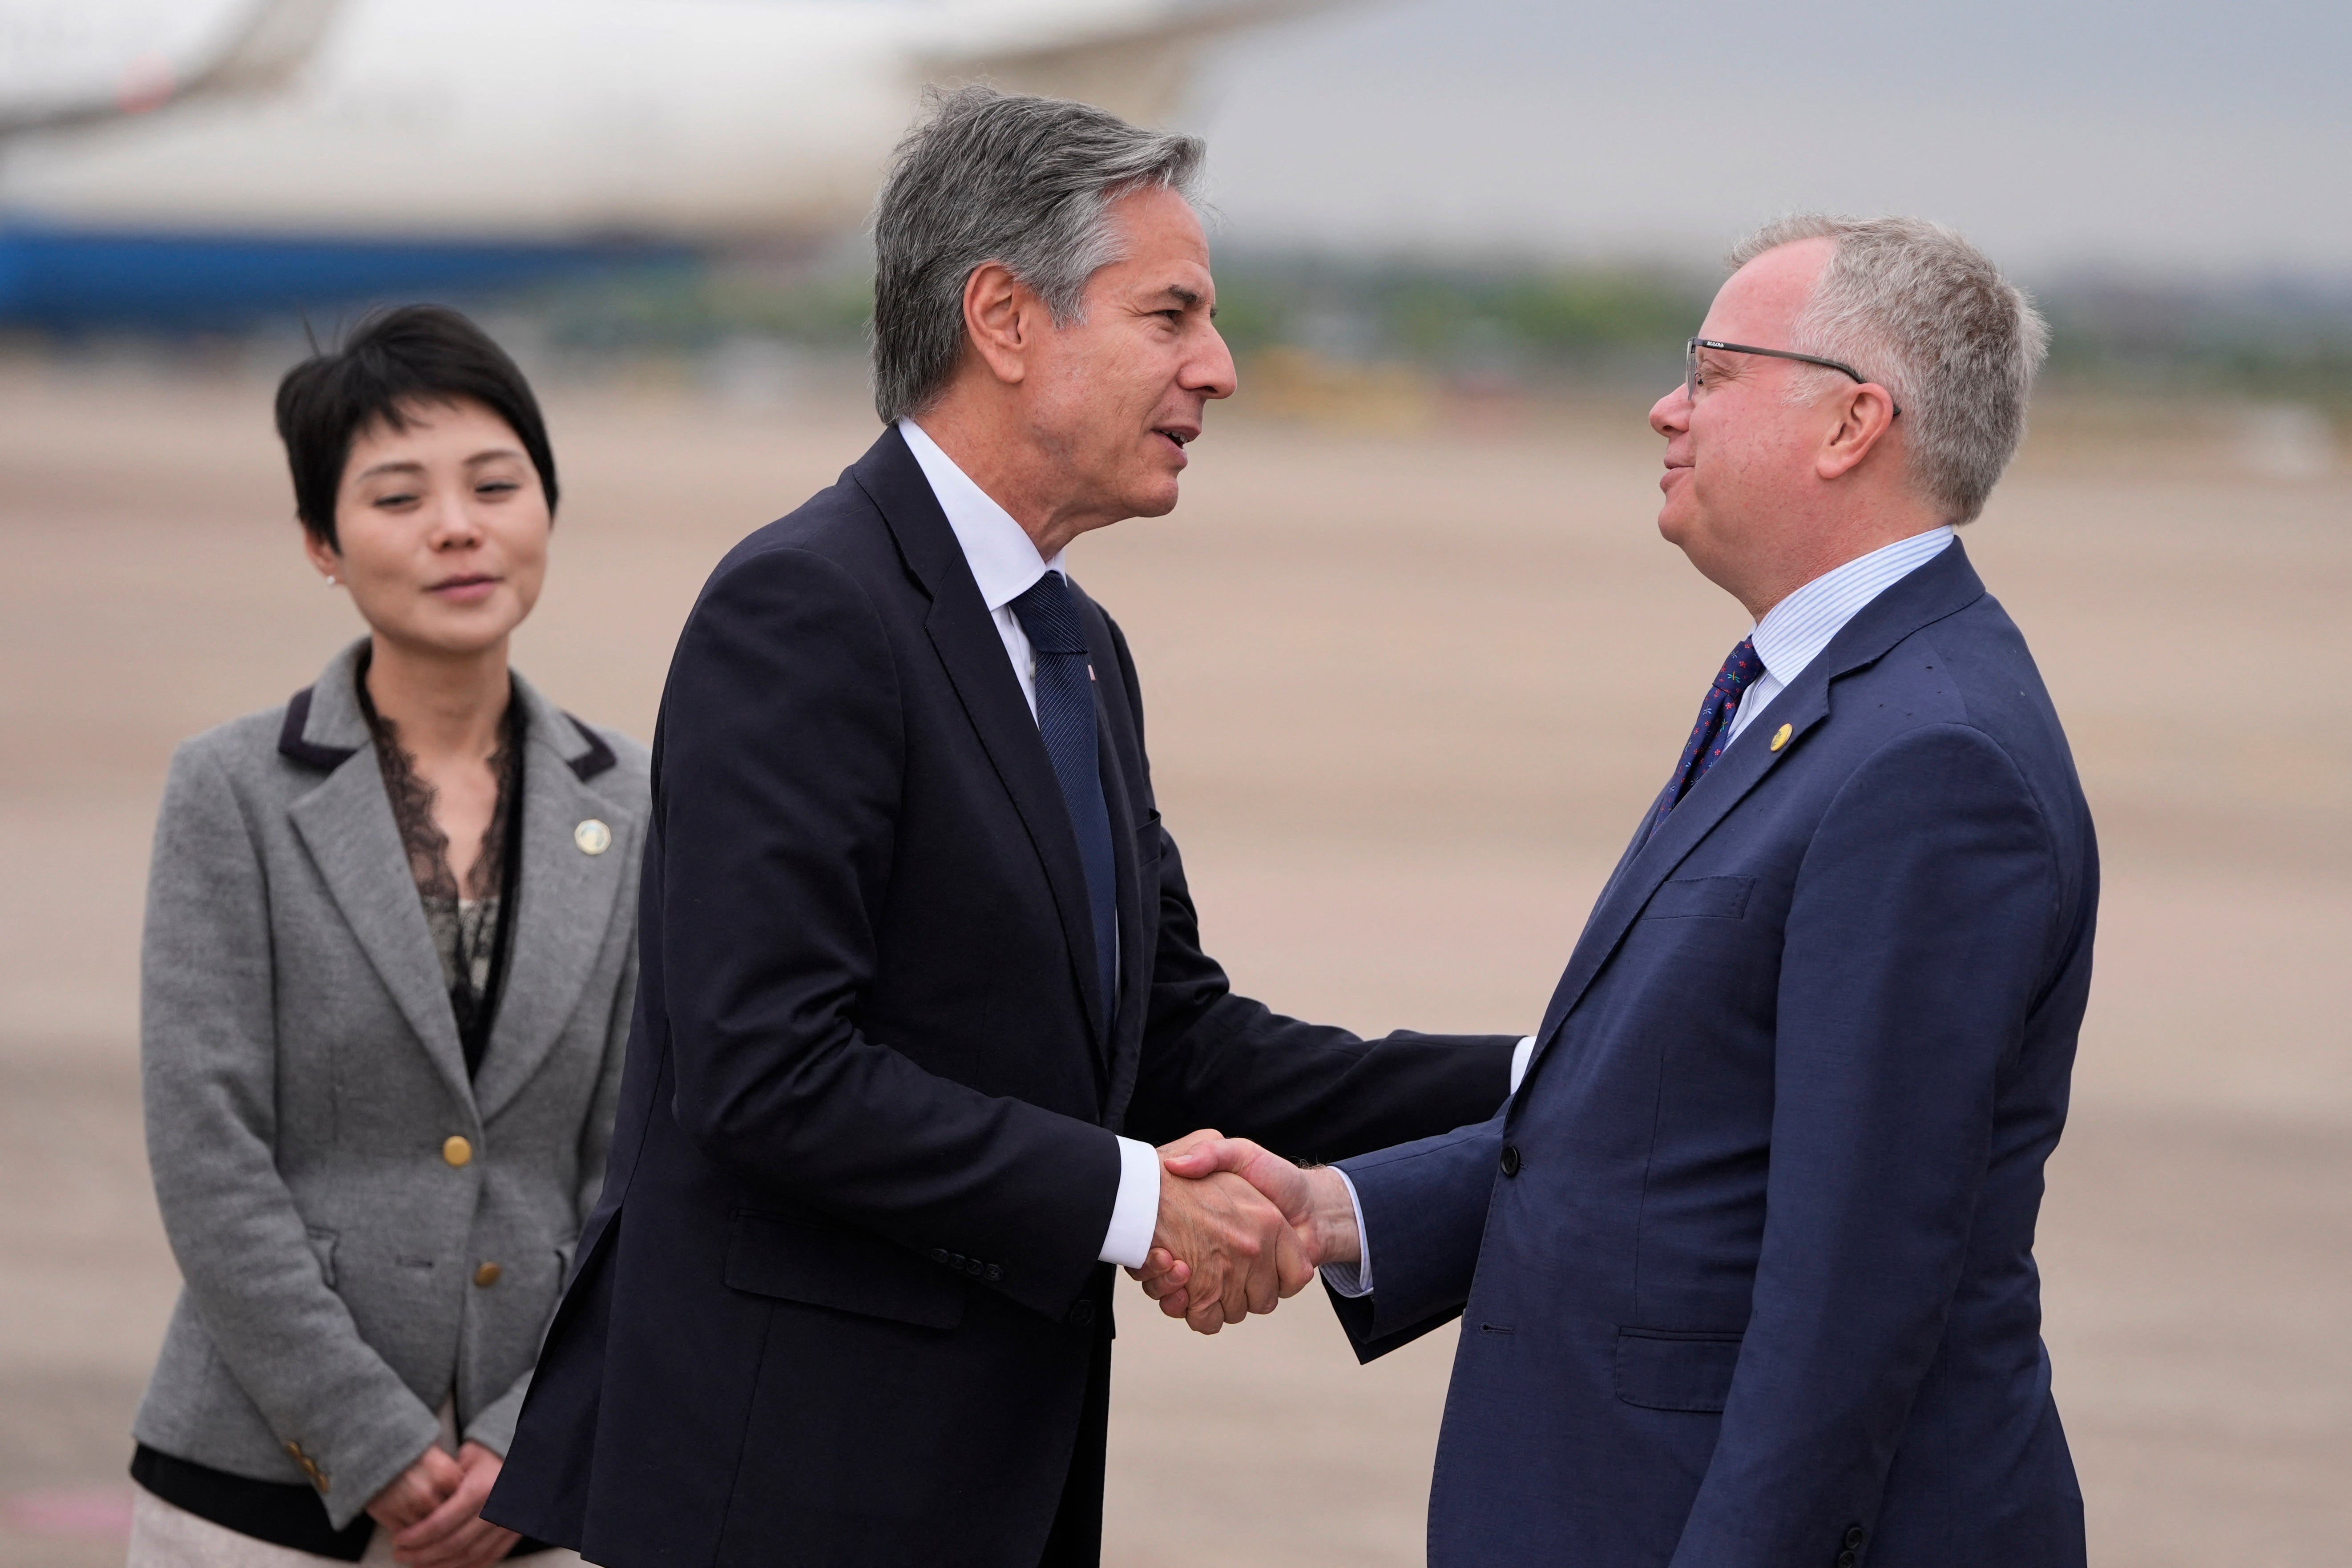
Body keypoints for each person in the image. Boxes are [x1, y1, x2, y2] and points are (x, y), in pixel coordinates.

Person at [483, 88, 1520, 1568]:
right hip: (785, 1492)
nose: (1216, 369)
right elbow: (767, 1069)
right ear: (1005, 319)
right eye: (1171, 315)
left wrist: (1565, 1073)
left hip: (989, 1491)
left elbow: (1172, 1048)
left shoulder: (1076, 645)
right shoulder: (807, 609)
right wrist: (1139, 1201)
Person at [1156, 216, 2097, 1567]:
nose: (1668, 407)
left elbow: (1858, 1285)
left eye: (1714, 373)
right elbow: (1686, 1124)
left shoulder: (1930, 758)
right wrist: (1340, 1211)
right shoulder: (1827, 701)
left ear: (1852, 425)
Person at [127, 306, 648, 1568]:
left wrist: (533, 1438)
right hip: (258, 1488)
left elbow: (638, 1169)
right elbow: (209, 1151)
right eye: (399, 496)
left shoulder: (640, 802)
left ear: (546, 507)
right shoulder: (233, 791)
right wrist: (365, 1446)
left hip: (534, 1504)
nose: (458, 527)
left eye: (494, 483)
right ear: (322, 540)